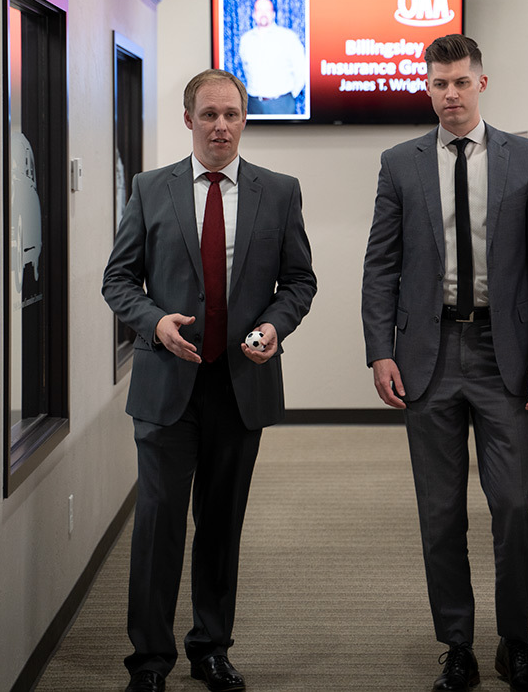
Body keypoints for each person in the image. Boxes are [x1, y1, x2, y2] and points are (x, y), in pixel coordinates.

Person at [361, 34, 528, 692]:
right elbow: (381, 266)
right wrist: (380, 350)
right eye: (438, 84)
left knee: (511, 505)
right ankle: (457, 644)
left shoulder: (527, 160)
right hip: (427, 356)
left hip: (502, 354)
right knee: (440, 512)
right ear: (427, 89)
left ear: (482, 84)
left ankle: (516, 643)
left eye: (460, 82)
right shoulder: (400, 164)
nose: (449, 94)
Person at [102, 68, 317, 692]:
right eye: (208, 115)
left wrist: (276, 327)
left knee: (221, 524)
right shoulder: (151, 188)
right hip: (167, 385)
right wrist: (154, 321)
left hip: (238, 386)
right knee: (158, 524)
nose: (220, 125)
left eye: (231, 114)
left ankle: (211, 647)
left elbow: (298, 282)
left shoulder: (279, 191)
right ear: (188, 120)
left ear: (245, 118)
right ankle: (148, 661)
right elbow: (119, 280)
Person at [238, 0, 307, 114]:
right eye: (259, 10)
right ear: (253, 14)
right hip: (253, 104)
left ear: (273, 14)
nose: (263, 14)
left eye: (267, 10)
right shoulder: (245, 40)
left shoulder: (288, 37)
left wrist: (291, 96)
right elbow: (244, 71)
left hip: (282, 103)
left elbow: (302, 70)